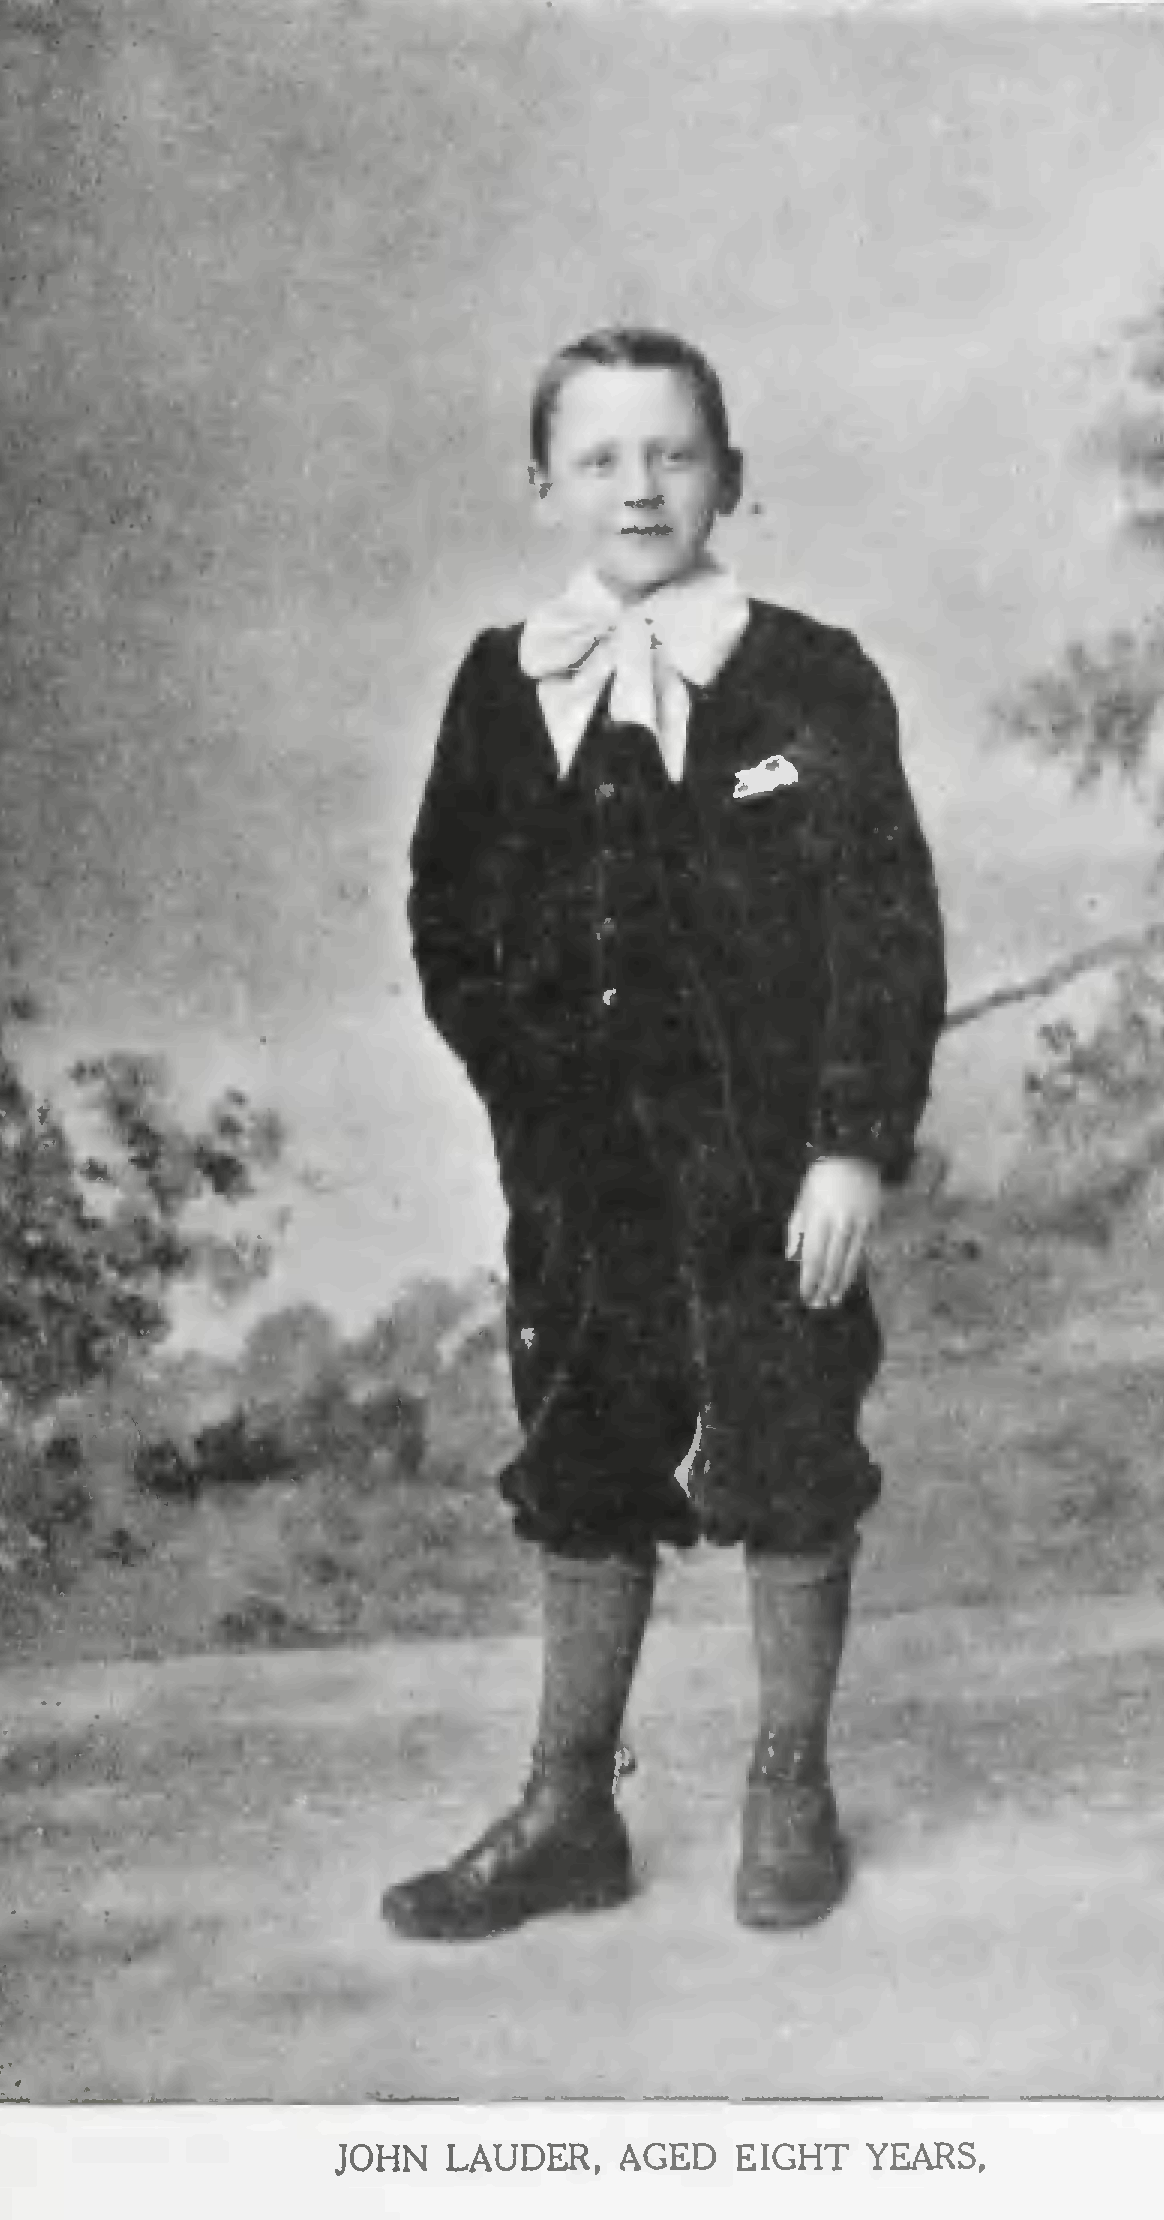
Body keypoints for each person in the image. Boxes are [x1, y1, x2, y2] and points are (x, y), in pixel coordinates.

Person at [384, 327, 947, 1941]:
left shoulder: (809, 676)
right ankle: (570, 1809)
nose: (639, 487)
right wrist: (530, 1092)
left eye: (674, 454)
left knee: (789, 1440)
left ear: (730, 479)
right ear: (544, 486)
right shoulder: (501, 684)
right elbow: (447, 920)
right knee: (583, 1448)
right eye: (601, 458)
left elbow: (884, 923)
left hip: (772, 1172)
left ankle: (790, 1791)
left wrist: (849, 1144)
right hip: (582, 1177)